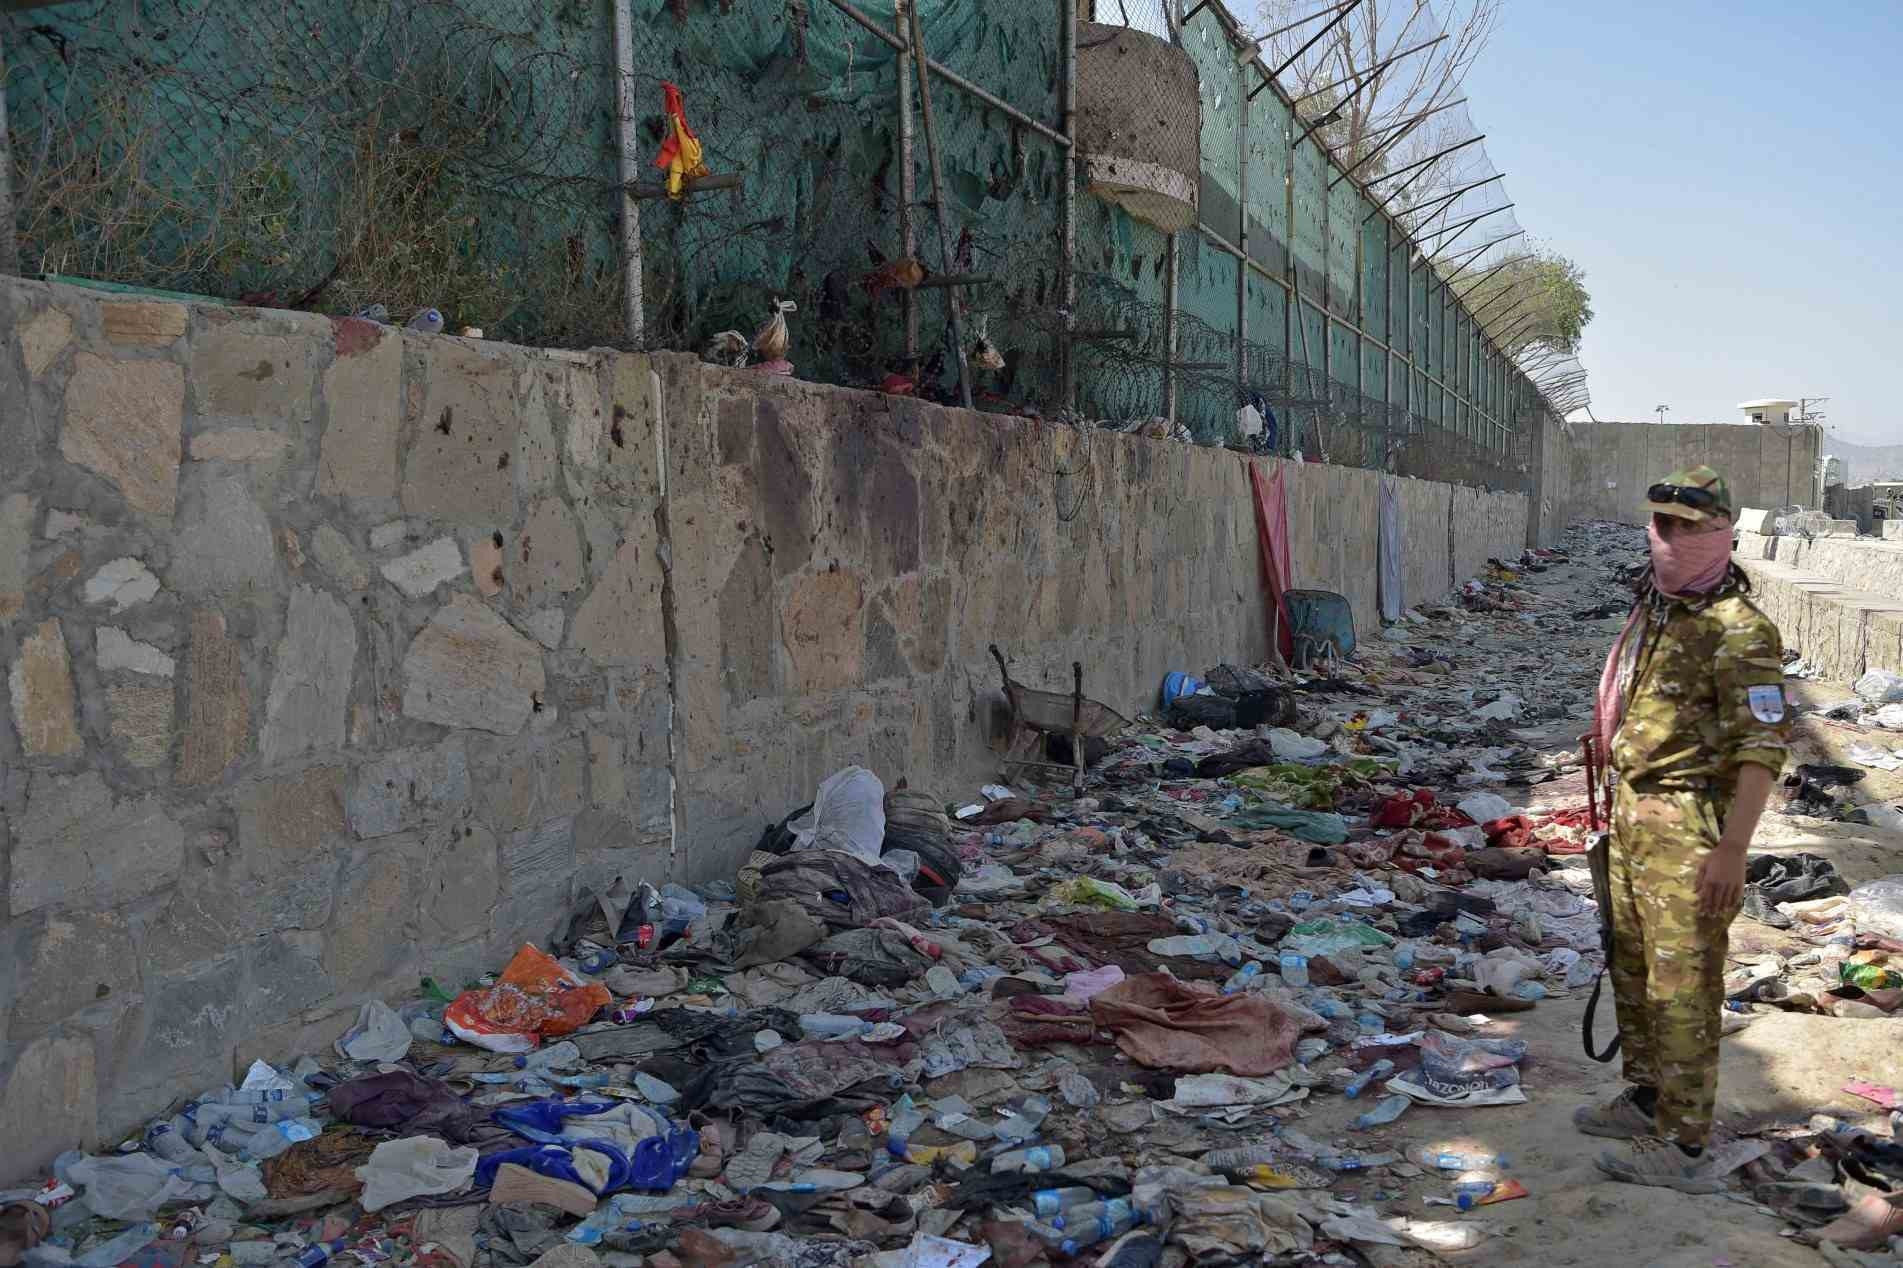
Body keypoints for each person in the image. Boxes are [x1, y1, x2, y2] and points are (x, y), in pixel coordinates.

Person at [1575, 465, 1790, 1190]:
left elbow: (1761, 750)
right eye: (1661, 524)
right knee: (1633, 967)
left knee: (1682, 983)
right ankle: (1645, 1097)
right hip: (1635, 817)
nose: (1669, 538)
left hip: (1689, 827)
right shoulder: (1665, 610)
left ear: (1722, 532)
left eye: (1687, 527)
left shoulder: (1741, 631)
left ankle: (1685, 1141)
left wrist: (1731, 851)